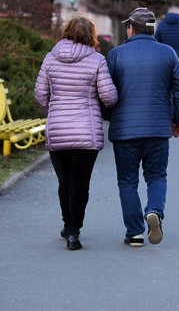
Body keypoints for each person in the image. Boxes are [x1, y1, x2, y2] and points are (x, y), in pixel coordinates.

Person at [106, 7, 179, 248]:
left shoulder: (116, 54)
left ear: (131, 28)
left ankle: (134, 232)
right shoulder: (167, 53)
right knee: (156, 176)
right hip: (157, 128)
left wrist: (108, 116)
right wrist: (178, 121)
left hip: (124, 130)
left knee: (127, 181)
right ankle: (154, 211)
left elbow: (105, 91)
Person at [34, 13, 118, 250]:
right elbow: (109, 97)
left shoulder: (50, 59)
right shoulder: (97, 61)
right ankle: (73, 231)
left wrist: (54, 109)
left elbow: (40, 95)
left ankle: (67, 223)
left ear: (66, 32)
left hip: (58, 127)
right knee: (80, 181)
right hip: (86, 130)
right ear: (91, 35)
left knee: (64, 181)